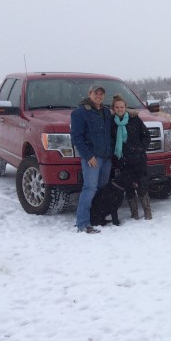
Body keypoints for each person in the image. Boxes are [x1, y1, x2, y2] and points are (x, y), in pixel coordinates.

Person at [71, 84, 113, 233]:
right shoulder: (80, 113)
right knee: (89, 188)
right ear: (90, 94)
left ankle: (97, 217)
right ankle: (82, 223)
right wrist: (88, 156)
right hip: (93, 158)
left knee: (101, 189)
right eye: (96, 93)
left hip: (107, 158)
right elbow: (76, 137)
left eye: (101, 94)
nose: (99, 96)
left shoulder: (107, 112)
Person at [111, 94, 153, 220]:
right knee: (128, 187)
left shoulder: (134, 120)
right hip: (122, 160)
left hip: (138, 159)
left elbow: (146, 136)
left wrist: (141, 149)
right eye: (117, 107)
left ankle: (147, 212)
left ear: (125, 107)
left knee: (142, 185)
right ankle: (134, 213)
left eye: (122, 107)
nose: (120, 109)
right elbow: (111, 141)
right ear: (113, 108)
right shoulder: (111, 123)